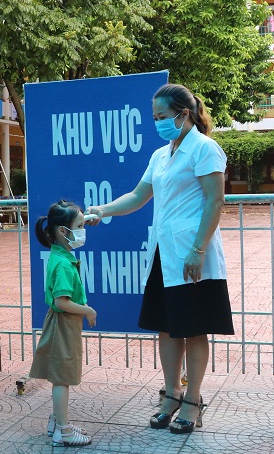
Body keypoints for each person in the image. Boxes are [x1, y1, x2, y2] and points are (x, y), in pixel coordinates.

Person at [85, 83, 234, 435]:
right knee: (167, 327)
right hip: (163, 253)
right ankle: (171, 394)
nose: (157, 123)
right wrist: (102, 210)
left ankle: (193, 401)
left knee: (194, 329)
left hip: (193, 252)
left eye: (162, 116)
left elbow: (214, 201)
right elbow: (139, 195)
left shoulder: (205, 149)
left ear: (184, 114)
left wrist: (198, 250)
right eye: (154, 117)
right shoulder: (161, 155)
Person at [30, 200, 95, 447]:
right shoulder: (64, 264)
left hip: (61, 323)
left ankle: (57, 421)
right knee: (62, 378)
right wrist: (87, 310)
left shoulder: (58, 256)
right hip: (64, 322)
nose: (82, 231)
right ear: (62, 231)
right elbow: (62, 301)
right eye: (79, 226)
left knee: (61, 376)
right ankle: (63, 431)